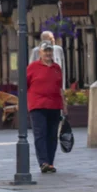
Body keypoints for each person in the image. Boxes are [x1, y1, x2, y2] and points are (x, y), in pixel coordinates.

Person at [27, 41, 67, 174]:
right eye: (45, 51)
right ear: (40, 53)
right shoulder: (32, 67)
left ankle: (50, 162)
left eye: (50, 51)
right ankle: (43, 162)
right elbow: (25, 86)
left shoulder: (56, 68)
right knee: (40, 134)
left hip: (54, 105)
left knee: (52, 135)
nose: (48, 53)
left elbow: (60, 88)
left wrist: (64, 105)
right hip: (37, 105)